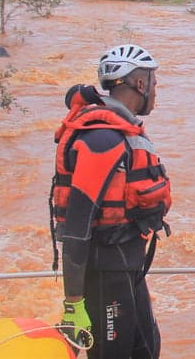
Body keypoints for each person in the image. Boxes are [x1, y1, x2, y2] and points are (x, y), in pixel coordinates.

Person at [50, 44, 172, 359]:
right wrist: (73, 303)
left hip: (128, 264)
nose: (156, 91)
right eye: (155, 83)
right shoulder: (102, 138)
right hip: (104, 271)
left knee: (147, 350)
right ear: (140, 84)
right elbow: (77, 227)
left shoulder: (123, 130)